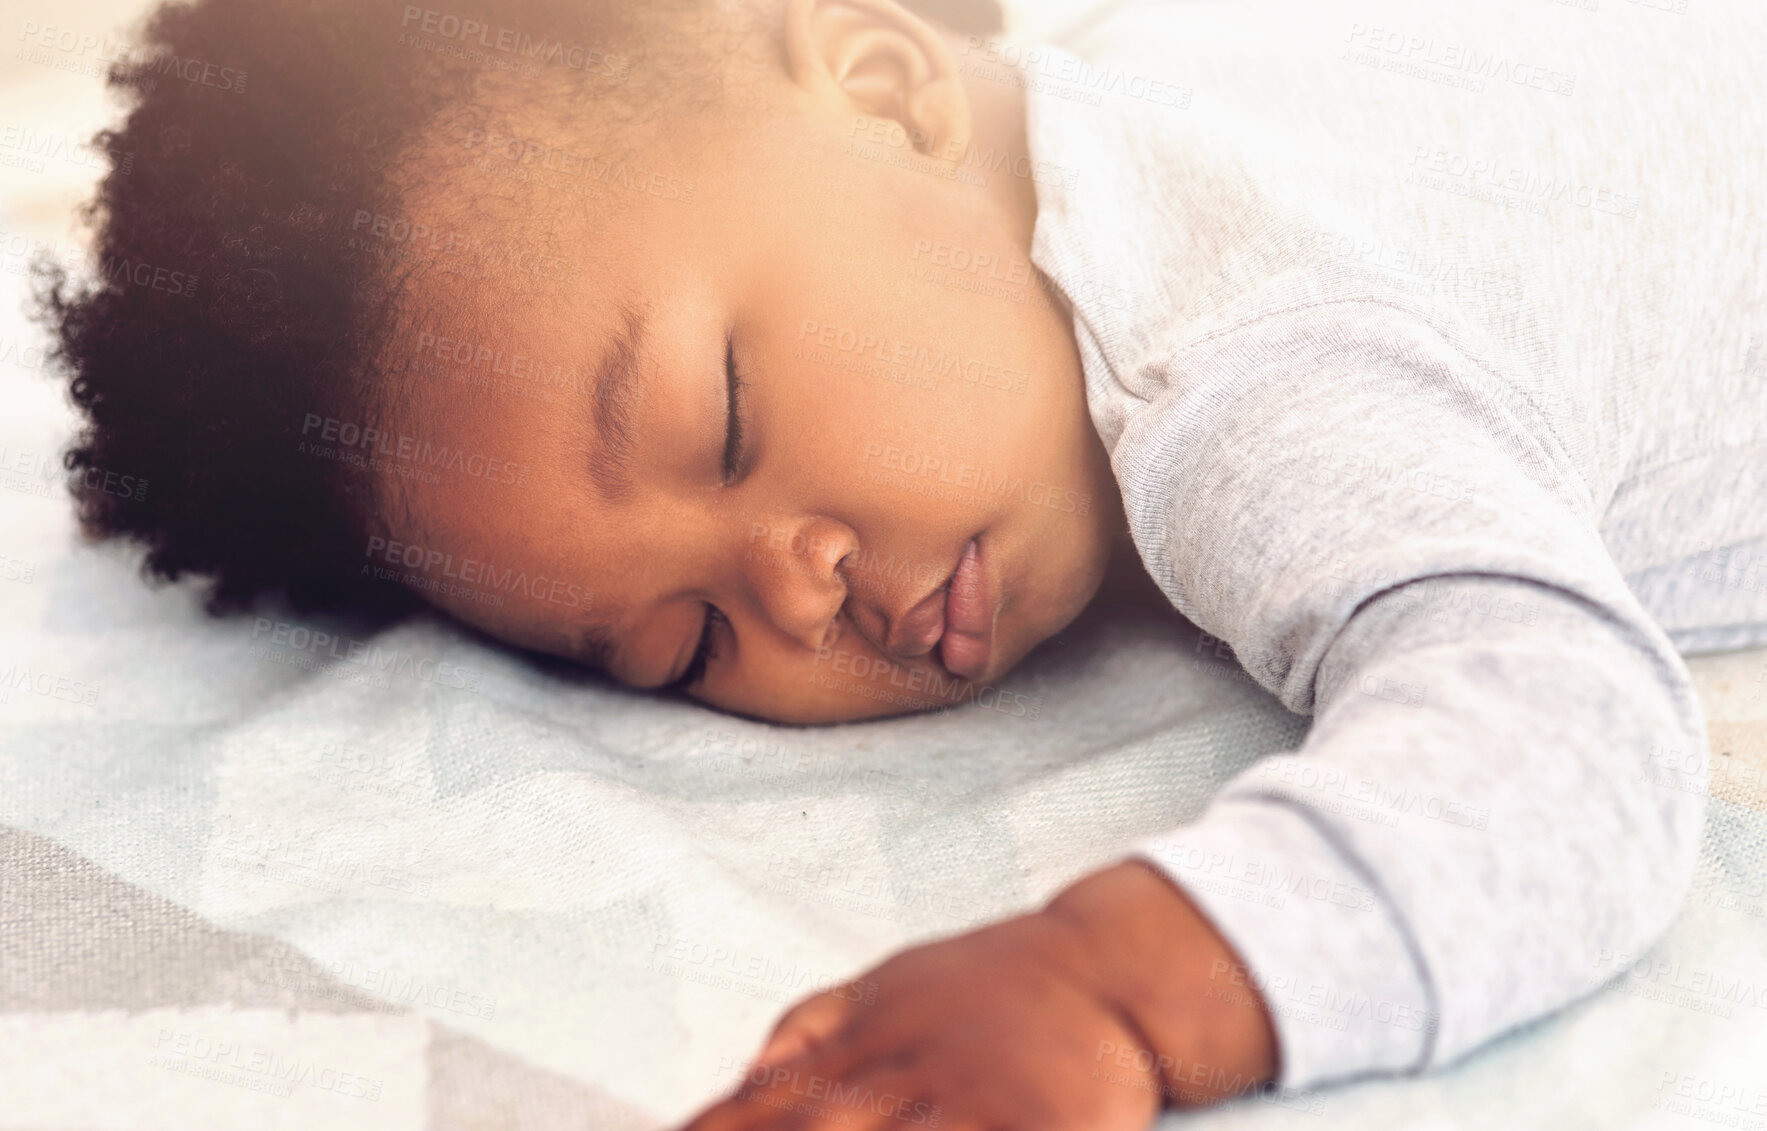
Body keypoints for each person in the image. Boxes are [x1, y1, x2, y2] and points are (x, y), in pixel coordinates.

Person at [36, 0, 1766, 1125]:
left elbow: (1572, 746)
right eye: (681, 650)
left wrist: (1115, 985)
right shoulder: (1105, 76)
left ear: (880, 76)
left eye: (723, 416)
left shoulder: (1243, 363)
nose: (792, 592)